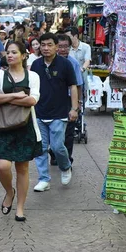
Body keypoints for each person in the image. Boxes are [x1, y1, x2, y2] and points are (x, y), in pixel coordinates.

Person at [0, 41, 41, 221]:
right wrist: (17, 96)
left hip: (24, 127)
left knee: (23, 168)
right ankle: (9, 192)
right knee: (3, 166)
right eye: (8, 52)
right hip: (2, 127)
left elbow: (32, 101)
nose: (9, 55)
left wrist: (5, 99)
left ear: (24, 55)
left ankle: (20, 208)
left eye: (14, 52)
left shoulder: (32, 76)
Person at [30, 33, 79, 191]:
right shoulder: (36, 65)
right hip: (39, 112)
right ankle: (44, 179)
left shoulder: (65, 64)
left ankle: (65, 167)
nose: (45, 48)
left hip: (59, 113)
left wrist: (74, 108)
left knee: (57, 146)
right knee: (41, 147)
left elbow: (73, 86)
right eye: (43, 45)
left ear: (56, 47)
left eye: (49, 45)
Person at [57, 34, 84, 166]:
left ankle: (67, 159)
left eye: (65, 47)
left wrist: (77, 104)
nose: (63, 50)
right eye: (60, 46)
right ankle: (55, 154)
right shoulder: (50, 62)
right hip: (54, 101)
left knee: (68, 131)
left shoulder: (73, 63)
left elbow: (78, 85)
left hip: (69, 100)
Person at [65, 26, 91, 103]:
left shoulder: (86, 47)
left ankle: (81, 105)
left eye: (68, 37)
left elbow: (87, 61)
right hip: (69, 74)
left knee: (82, 93)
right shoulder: (66, 48)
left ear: (75, 36)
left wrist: (82, 69)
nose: (67, 39)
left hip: (81, 73)